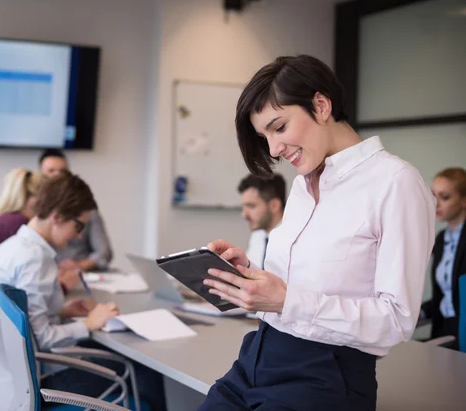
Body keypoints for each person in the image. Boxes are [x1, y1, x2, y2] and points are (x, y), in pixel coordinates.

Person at [199, 55, 436, 410]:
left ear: (321, 105)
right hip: (257, 357)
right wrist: (247, 273)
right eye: (264, 136)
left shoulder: (396, 183)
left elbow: (397, 320)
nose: (273, 149)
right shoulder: (302, 184)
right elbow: (301, 282)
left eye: (279, 128)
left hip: (326, 376)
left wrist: (285, 300)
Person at [0, 170, 165, 409]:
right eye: (78, 226)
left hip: (11, 378)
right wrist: (89, 324)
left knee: (103, 351)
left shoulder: (10, 247)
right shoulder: (35, 260)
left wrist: (61, 311)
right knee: (141, 365)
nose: (79, 236)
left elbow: (21, 319)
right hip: (41, 383)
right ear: (57, 217)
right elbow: (42, 338)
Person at [38, 149, 113, 272]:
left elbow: (104, 252)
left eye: (62, 171)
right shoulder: (34, 213)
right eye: (51, 171)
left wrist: (79, 266)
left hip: (79, 275)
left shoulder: (88, 211)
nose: (57, 176)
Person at [421, 167, 466, 349]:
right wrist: (420, 313)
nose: (435, 203)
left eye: (444, 197)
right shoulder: (440, 239)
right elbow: (446, 295)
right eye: (433, 196)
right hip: (443, 327)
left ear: (464, 200)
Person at [238, 173, 286, 267]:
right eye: (244, 207)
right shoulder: (258, 236)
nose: (244, 214)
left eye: (251, 206)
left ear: (274, 205)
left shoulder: (296, 241)